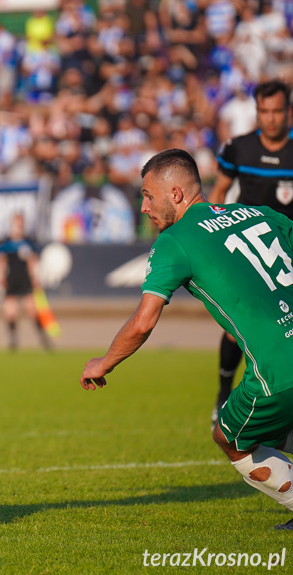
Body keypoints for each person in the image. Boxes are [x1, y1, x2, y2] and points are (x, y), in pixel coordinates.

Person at [80, 149, 293, 531]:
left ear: (176, 194)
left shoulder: (175, 241)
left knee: (230, 438)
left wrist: (103, 362)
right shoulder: (258, 212)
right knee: (279, 429)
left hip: (277, 367)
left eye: (148, 195)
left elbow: (143, 322)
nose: (144, 207)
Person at [208, 80, 293, 425]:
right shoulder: (238, 148)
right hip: (248, 255)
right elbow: (221, 189)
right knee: (235, 329)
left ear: (288, 111)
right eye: (264, 111)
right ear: (257, 111)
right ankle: (223, 392)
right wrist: (209, 237)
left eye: (277, 111)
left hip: (287, 253)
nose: (270, 118)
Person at [0, 213, 51, 350]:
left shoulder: (28, 243)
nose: (19, 227)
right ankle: (12, 340)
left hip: (25, 280)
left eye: (21, 224)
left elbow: (33, 262)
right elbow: (0, 261)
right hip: (11, 279)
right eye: (17, 224)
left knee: (32, 310)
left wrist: (36, 278)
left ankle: (43, 338)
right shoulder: (5, 243)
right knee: (10, 311)